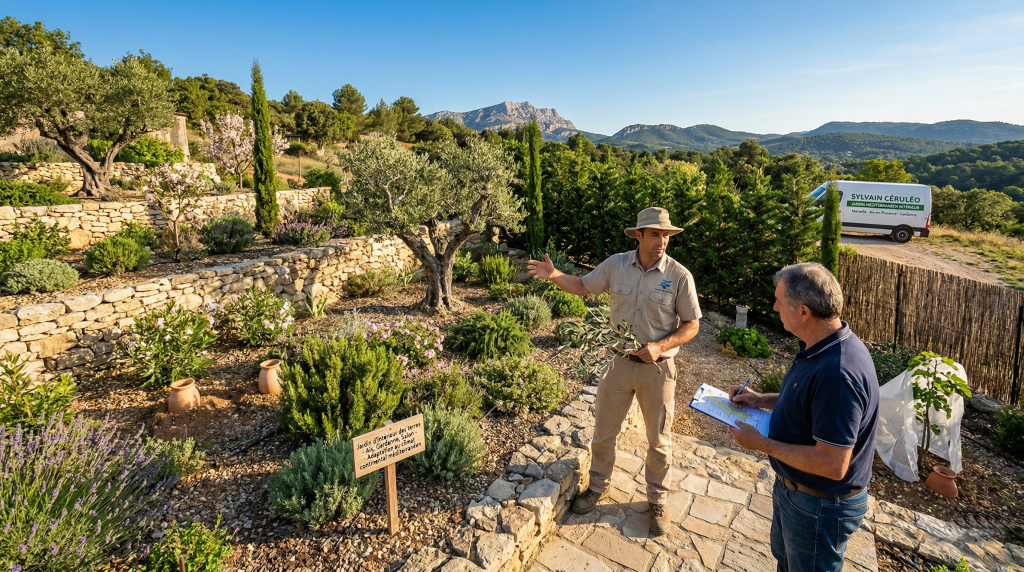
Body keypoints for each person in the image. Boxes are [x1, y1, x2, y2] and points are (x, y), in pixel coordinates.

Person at [527, 207, 701, 536]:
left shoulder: (679, 276)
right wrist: (553, 275)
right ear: (639, 235)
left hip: (658, 370)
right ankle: (597, 486)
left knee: (659, 440)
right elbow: (582, 285)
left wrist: (660, 346)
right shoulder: (616, 265)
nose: (662, 240)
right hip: (617, 364)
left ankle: (657, 499)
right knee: (604, 432)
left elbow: (692, 325)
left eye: (666, 235)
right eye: (655, 234)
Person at [727, 262, 878, 572]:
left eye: (779, 302)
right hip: (797, 492)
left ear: (804, 312)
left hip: (819, 505)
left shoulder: (837, 374)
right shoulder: (821, 345)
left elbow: (832, 464)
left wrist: (761, 444)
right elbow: (807, 401)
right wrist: (761, 399)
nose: (774, 308)